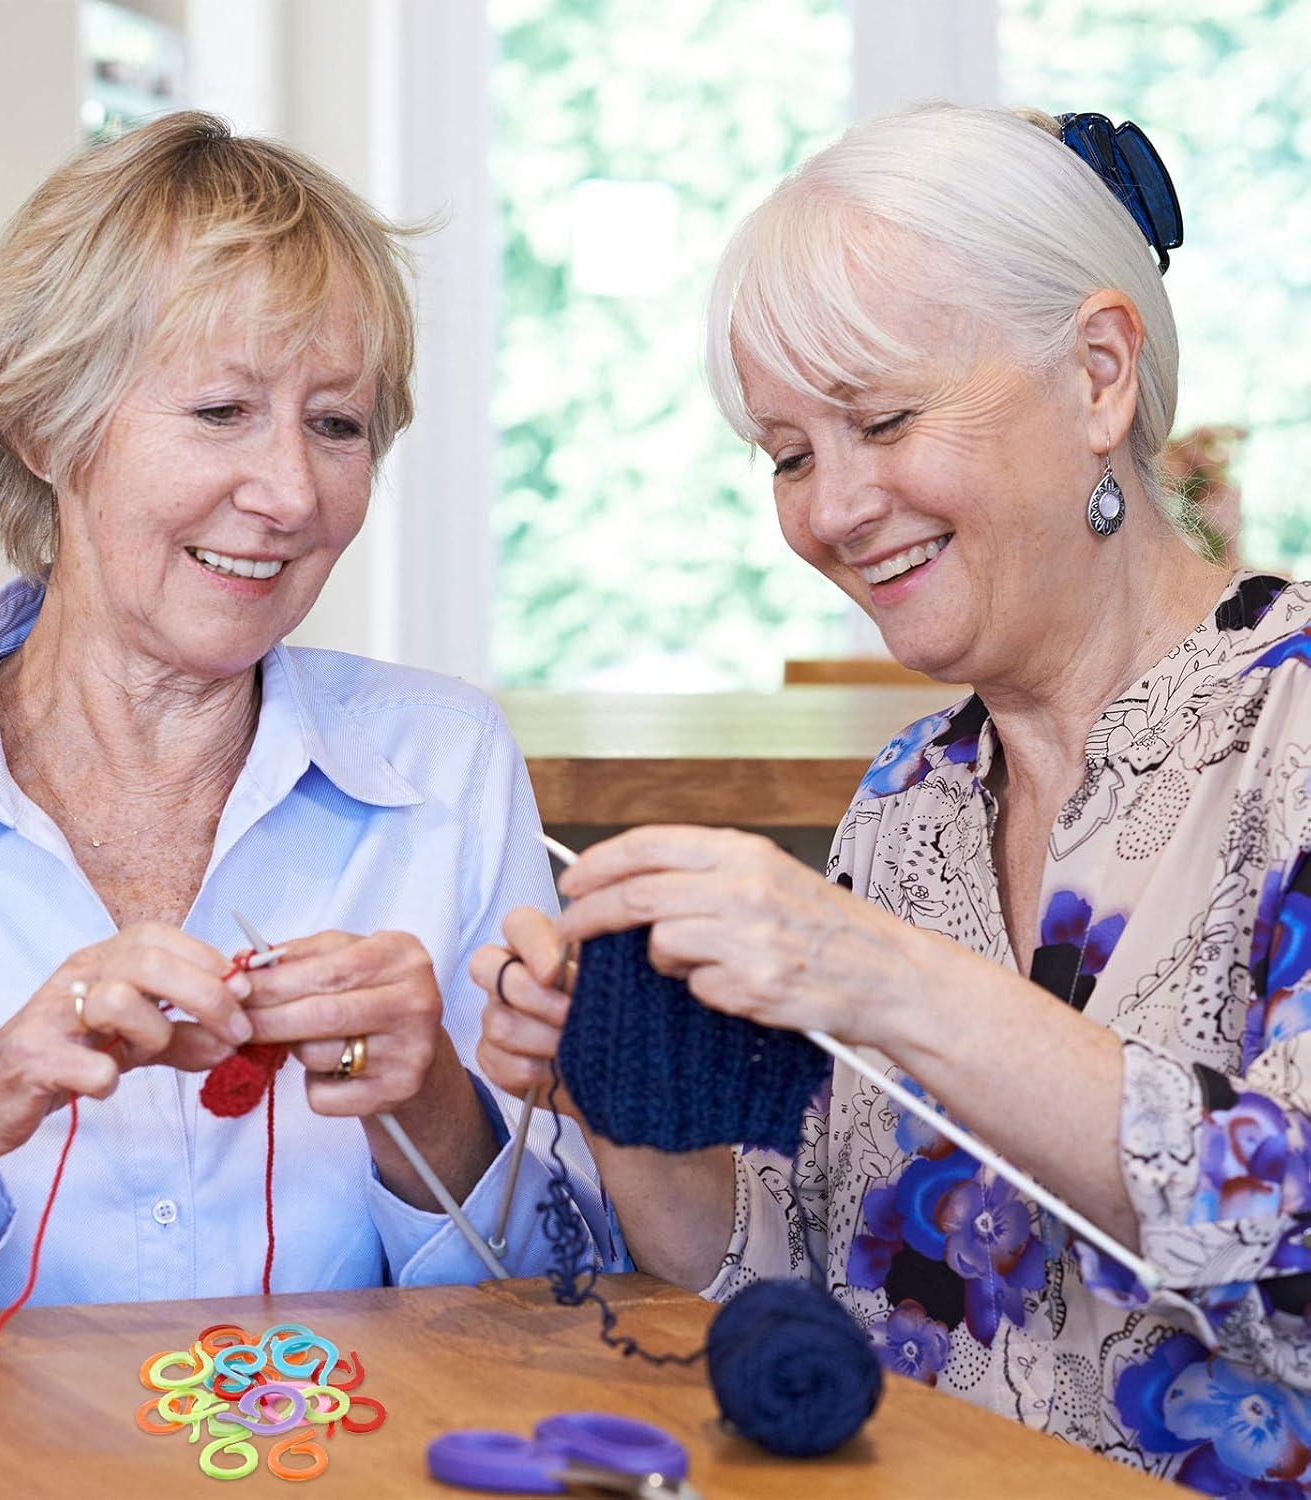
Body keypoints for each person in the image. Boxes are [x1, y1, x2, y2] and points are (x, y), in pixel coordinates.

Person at [474, 103, 1311, 1489]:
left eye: (882, 420)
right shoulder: (912, 796)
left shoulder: (1289, 730)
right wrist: (626, 1099)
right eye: (792, 456)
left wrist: (879, 975)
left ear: (1099, 375)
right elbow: (790, 1296)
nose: (833, 510)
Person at [0, 112, 614, 1311]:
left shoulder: (447, 767)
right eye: (221, 411)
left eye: (336, 426)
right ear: (43, 425)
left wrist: (434, 1108)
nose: (290, 493)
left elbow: (572, 1304)